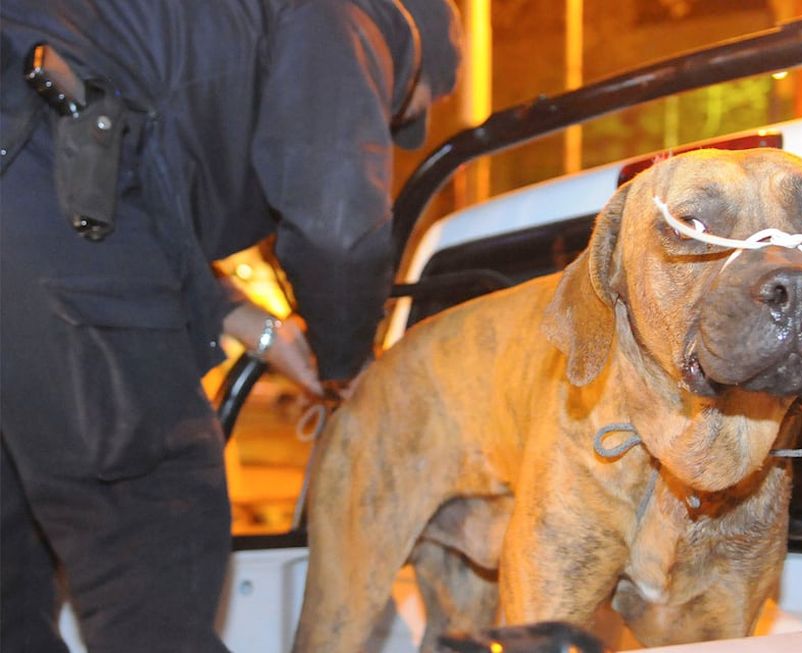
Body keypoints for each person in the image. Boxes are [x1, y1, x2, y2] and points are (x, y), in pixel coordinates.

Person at [0, 0, 463, 651]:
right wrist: (347, 360)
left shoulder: (210, 25)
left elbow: (142, 193)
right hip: (42, 143)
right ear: (416, 61)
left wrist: (262, 329)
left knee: (9, 559)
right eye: (400, 113)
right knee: (154, 517)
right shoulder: (353, 19)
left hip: (32, 149)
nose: (386, 123)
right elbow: (336, 225)